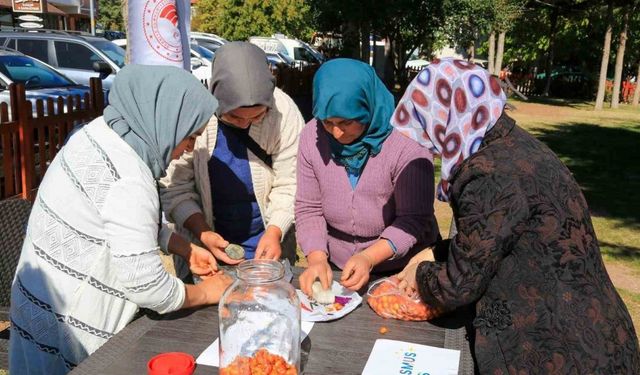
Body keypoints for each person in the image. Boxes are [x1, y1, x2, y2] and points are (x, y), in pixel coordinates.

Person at [394, 58, 640, 373]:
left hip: (561, 349)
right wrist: (437, 251)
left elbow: (460, 284)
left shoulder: (487, 174)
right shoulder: (515, 146)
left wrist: (421, 274)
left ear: (448, 118)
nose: (435, 145)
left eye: (431, 128)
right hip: (596, 332)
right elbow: (493, 238)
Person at [9, 65, 232, 375]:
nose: (190, 147)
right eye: (190, 135)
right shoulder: (130, 177)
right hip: (70, 324)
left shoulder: (102, 131)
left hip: (40, 302)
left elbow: (120, 221)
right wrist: (209, 292)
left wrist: (186, 249)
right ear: (165, 121)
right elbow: (148, 286)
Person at [296, 58, 439, 296]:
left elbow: (413, 219)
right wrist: (317, 259)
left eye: (346, 122)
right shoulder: (312, 136)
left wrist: (369, 257)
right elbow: (309, 208)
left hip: (403, 270)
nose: (337, 132)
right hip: (338, 266)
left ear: (367, 106)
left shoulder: (407, 142)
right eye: (328, 122)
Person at [160, 42, 304, 268]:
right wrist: (203, 233)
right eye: (235, 118)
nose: (245, 123)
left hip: (267, 240)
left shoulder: (283, 112)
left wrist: (276, 230)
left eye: (257, 117)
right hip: (204, 243)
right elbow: (175, 188)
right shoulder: (193, 114)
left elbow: (291, 182)